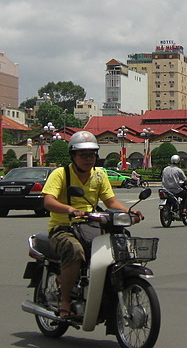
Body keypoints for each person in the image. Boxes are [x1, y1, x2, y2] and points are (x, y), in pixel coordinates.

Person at [41, 131, 144, 318]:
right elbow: (48, 201)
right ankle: (65, 300)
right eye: (83, 155)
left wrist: (129, 213)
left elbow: (111, 202)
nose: (88, 159)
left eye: (92, 155)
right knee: (74, 250)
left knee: (119, 247)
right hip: (64, 228)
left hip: (92, 225)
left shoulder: (99, 175)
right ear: (73, 155)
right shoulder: (61, 174)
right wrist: (70, 210)